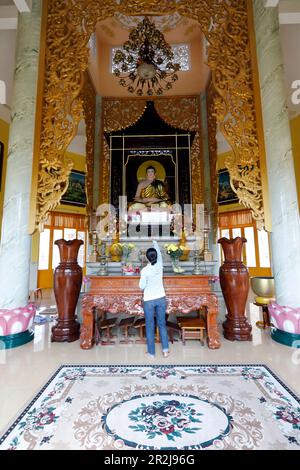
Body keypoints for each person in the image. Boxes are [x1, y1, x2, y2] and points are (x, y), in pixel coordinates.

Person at [139, 240, 170, 359]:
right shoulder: (160, 265)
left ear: (147, 258)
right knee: (162, 324)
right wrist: (155, 242)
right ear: (157, 256)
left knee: (150, 325)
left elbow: (141, 286)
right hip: (161, 298)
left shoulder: (145, 270)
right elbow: (160, 254)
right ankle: (165, 350)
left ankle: (151, 353)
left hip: (149, 301)